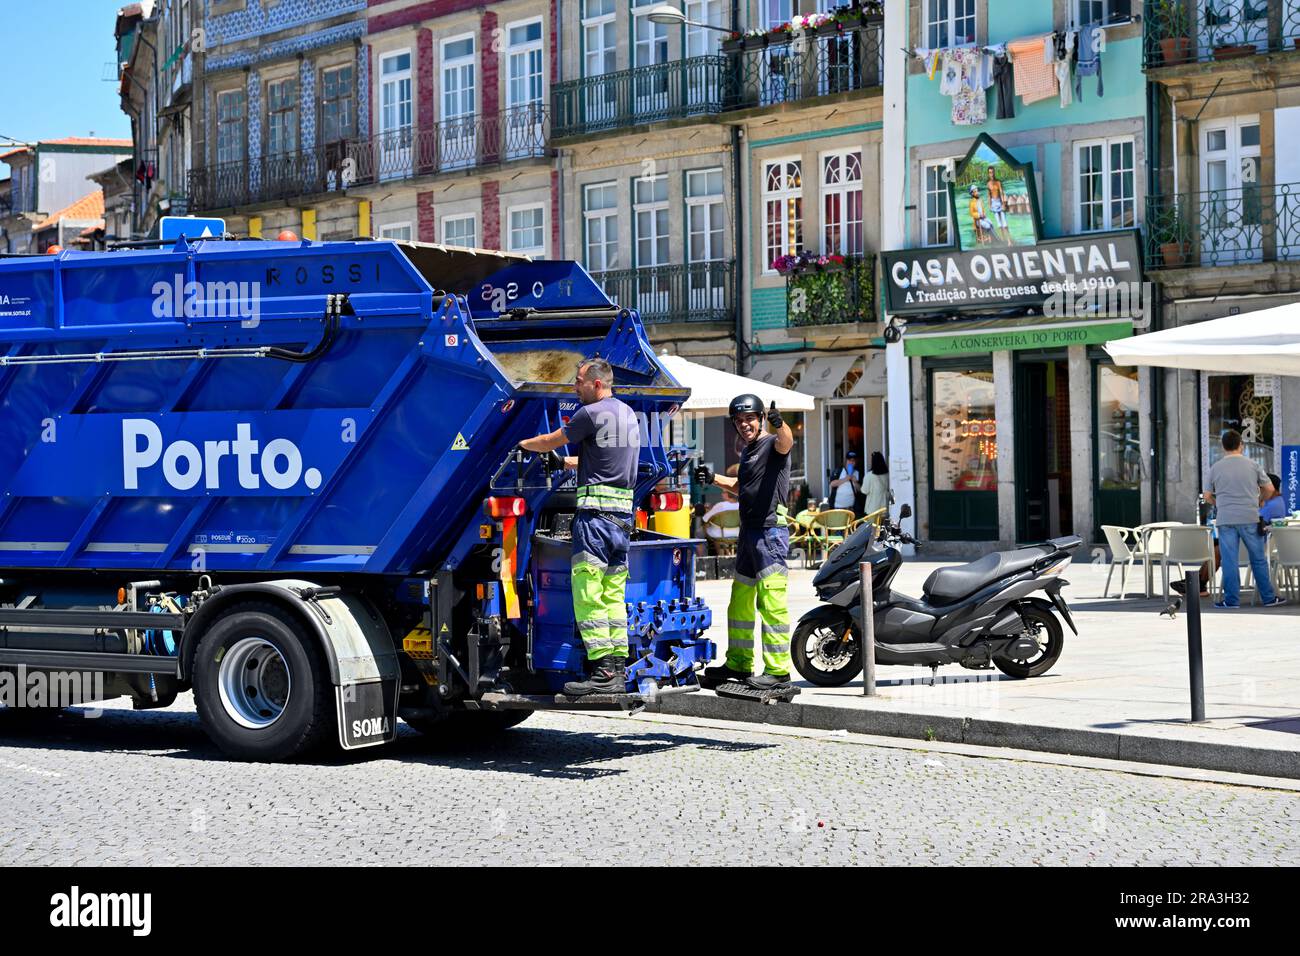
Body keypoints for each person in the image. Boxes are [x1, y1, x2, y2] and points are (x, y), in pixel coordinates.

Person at [518, 357, 642, 694]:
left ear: (597, 384)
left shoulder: (590, 413)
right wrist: (568, 463)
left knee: (587, 592)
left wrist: (521, 445)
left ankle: (601, 670)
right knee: (614, 595)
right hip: (621, 522)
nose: (575, 387)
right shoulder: (627, 414)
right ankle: (617, 668)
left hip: (595, 521)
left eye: (579, 381)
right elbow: (601, 457)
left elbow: (551, 441)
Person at [695, 395, 795, 691]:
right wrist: (713, 478)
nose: (744, 425)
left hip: (770, 533)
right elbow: (742, 487)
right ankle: (739, 664)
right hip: (750, 533)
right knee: (740, 601)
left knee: (771, 602)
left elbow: (786, 441)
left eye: (750, 418)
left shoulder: (772, 444)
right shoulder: (749, 451)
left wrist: (780, 424)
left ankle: (778, 672)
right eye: (739, 421)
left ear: (762, 417)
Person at [1204, 430, 1285, 609]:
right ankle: (1268, 598)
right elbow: (1270, 488)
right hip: (1250, 516)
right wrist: (1259, 501)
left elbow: (1207, 495)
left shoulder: (1215, 467)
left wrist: (1219, 504)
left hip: (1225, 518)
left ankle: (1231, 601)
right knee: (1258, 559)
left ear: (1223, 446)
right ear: (1241, 444)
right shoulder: (1253, 464)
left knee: (1229, 560)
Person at [702, 465, 741, 550]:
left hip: (718, 534)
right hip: (738, 533)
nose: (722, 494)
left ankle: (703, 555)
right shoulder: (742, 505)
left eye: (723, 492)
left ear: (728, 493)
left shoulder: (721, 505)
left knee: (699, 532)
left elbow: (705, 519)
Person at [986, 167, 1013, 245]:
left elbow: (1001, 193)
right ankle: (1004, 240)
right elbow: (989, 195)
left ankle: (1009, 241)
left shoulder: (998, 182)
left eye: (992, 172)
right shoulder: (988, 184)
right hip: (993, 203)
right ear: (988, 173)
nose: (991, 174)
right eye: (990, 172)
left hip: (999, 202)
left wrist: (1004, 204)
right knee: (999, 225)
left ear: (994, 172)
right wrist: (989, 205)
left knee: (1005, 224)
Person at [862, 451, 890, 517]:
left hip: (872, 509)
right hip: (884, 508)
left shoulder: (869, 475)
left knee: (872, 527)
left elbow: (864, 491)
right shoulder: (887, 474)